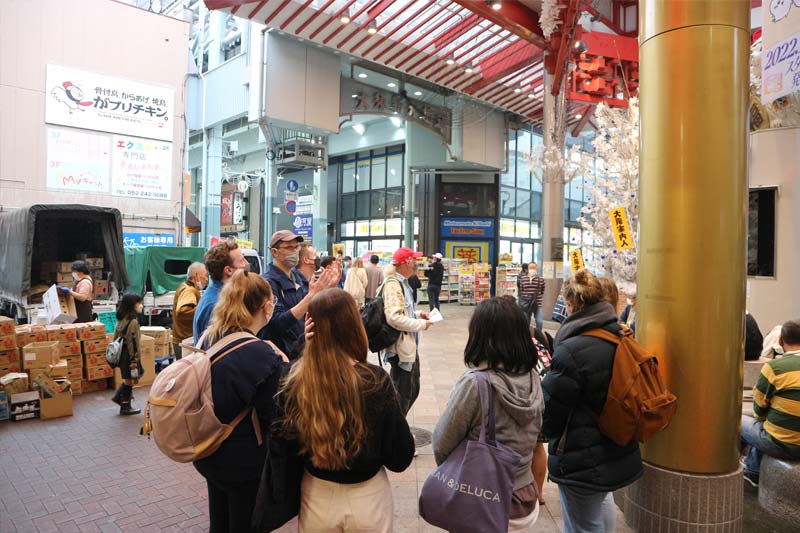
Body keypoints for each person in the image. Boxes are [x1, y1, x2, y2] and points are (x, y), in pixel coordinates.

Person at [272, 288, 415, 532]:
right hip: (368, 497)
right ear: (353, 325)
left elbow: (283, 446)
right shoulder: (375, 380)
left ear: (311, 327)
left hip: (317, 495)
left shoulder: (295, 380)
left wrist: (305, 349)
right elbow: (400, 457)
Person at [541, 268, 643, 533]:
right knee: (602, 502)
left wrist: (542, 433)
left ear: (573, 304)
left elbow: (551, 410)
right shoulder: (619, 334)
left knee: (583, 524)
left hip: (581, 455)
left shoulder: (572, 349)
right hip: (615, 443)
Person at [433, 297, 544, 531]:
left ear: (480, 335)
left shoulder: (476, 383)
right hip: (524, 497)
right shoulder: (533, 378)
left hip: (484, 497)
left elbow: (441, 444)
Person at [193, 270, 288, 533]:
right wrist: (285, 365)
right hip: (244, 461)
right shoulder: (261, 353)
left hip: (208, 448)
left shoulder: (210, 336)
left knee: (220, 522)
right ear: (265, 306)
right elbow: (276, 414)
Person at [259, 230, 339, 359]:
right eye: (289, 247)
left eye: (296, 247)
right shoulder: (267, 283)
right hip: (282, 358)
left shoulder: (298, 278)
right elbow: (276, 323)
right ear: (274, 252)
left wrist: (327, 289)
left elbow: (312, 310)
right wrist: (310, 296)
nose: (295, 251)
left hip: (302, 352)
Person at [740, 318, 800, 487]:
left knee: (740, 421)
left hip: (783, 445)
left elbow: (759, 410)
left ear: (780, 341)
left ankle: (750, 471)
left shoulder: (775, 367)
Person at [382, 247, 431, 416]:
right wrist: (421, 324)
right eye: (414, 260)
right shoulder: (393, 285)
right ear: (406, 263)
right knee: (402, 394)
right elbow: (394, 318)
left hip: (408, 345)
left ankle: (397, 429)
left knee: (412, 389)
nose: (416, 264)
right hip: (400, 349)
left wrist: (417, 315)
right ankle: (395, 434)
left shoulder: (403, 283)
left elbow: (403, 312)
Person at [193, 240, 250, 343]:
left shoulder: (222, 296)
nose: (246, 264)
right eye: (242, 260)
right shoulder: (217, 305)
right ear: (229, 270)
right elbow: (217, 350)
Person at [111, 294, 144, 415]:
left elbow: (115, 338)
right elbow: (133, 343)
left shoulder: (122, 318)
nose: (141, 305)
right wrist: (134, 360)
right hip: (129, 355)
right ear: (133, 305)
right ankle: (125, 405)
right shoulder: (133, 321)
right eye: (138, 303)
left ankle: (120, 398)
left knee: (129, 378)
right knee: (131, 379)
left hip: (122, 354)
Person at [172, 262, 207, 358]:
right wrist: (203, 309)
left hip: (183, 340)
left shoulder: (185, 286)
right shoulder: (189, 290)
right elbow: (183, 311)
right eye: (205, 276)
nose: (206, 279)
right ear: (196, 276)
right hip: (185, 341)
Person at [519, 262, 546, 330]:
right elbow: (522, 290)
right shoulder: (523, 279)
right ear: (528, 269)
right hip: (526, 304)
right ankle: (527, 337)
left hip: (537, 304)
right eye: (530, 268)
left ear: (536, 268)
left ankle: (538, 335)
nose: (532, 269)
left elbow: (542, 291)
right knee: (526, 322)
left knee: (539, 322)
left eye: (533, 268)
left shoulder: (541, 279)